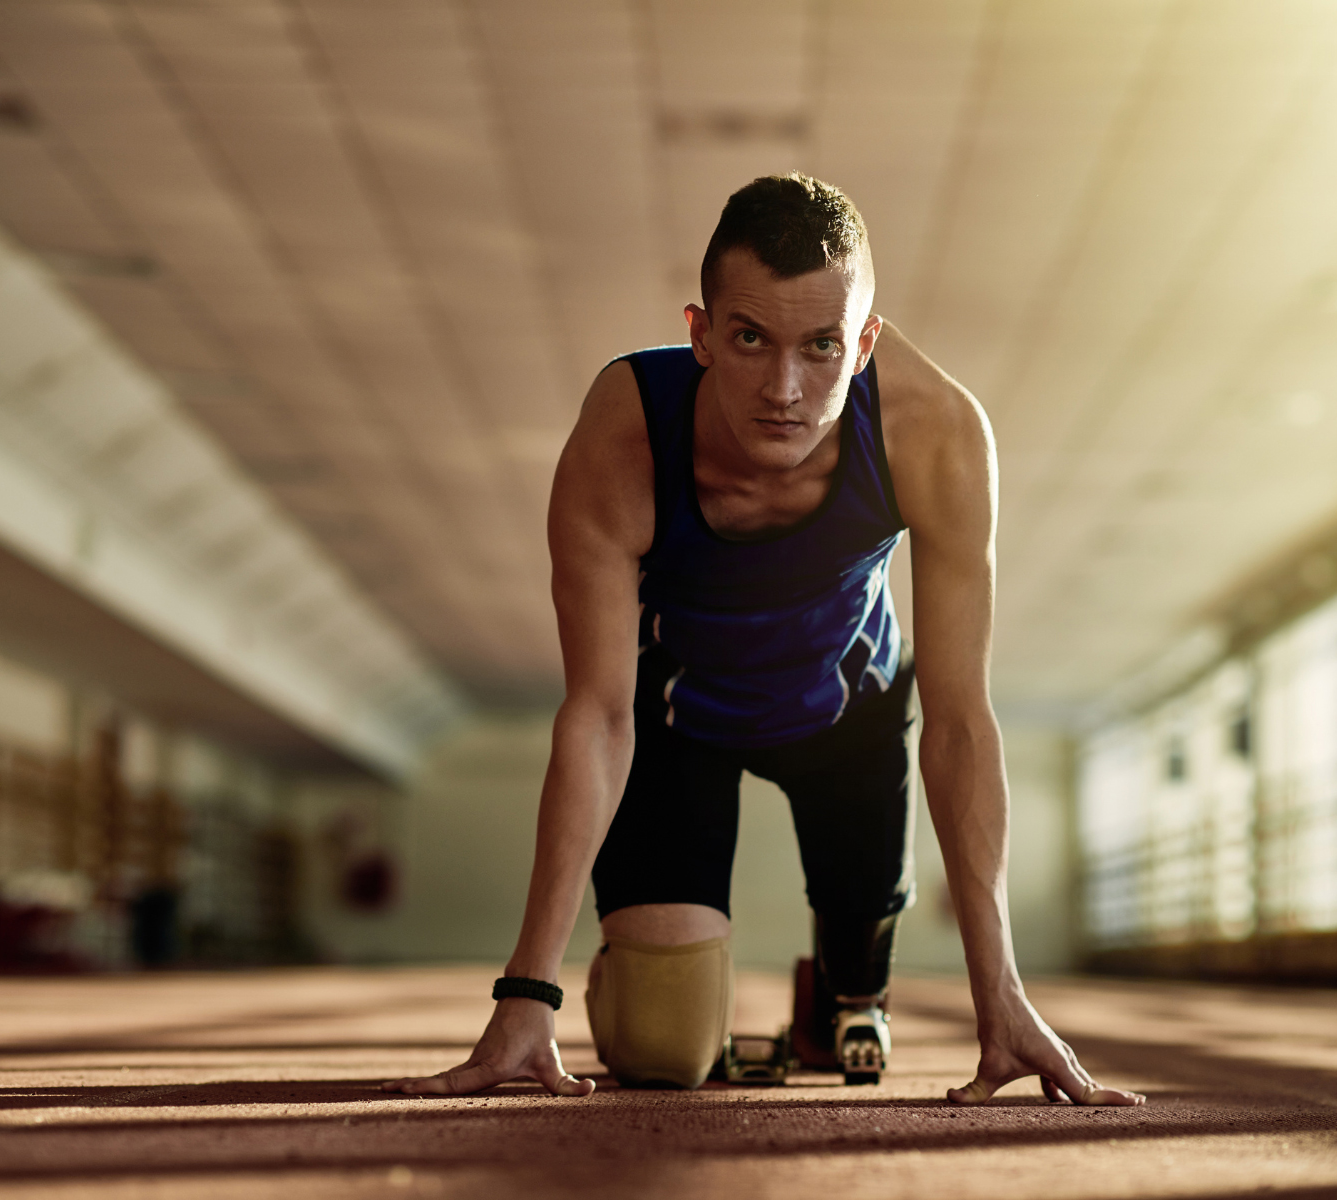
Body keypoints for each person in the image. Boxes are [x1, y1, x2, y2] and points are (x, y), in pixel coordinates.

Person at [386, 174, 1144, 1107]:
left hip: (848, 714)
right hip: (677, 715)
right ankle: (641, 974)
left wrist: (1003, 998)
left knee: (850, 1021)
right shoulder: (624, 437)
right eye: (751, 339)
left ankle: (842, 985)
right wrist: (527, 995)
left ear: (863, 345)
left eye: (822, 347)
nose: (785, 390)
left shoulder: (937, 433)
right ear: (700, 332)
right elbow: (597, 714)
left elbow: (957, 724)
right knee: (664, 1051)